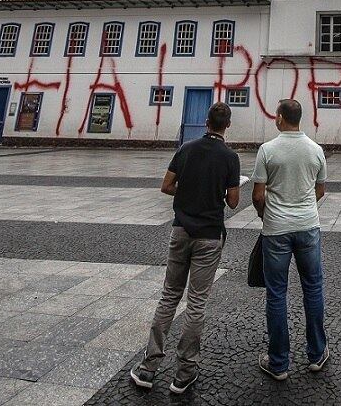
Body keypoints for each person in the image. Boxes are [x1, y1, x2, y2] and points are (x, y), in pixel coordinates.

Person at [130, 102, 241, 394]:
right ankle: (184, 372)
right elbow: (232, 201)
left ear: (207, 122)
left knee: (168, 297)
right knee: (197, 303)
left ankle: (148, 367)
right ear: (227, 125)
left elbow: (166, 186)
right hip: (208, 236)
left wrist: (187, 190)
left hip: (180, 230)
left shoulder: (186, 149)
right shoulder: (230, 157)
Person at [251, 98, 329, 380]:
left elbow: (258, 194)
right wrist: (305, 209)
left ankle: (279, 362)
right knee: (313, 288)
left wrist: (265, 214)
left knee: (276, 294)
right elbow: (320, 190)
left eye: (276, 114)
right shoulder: (316, 150)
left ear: (282, 118)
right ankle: (317, 354)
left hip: (276, 230)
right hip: (308, 227)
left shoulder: (267, 150)